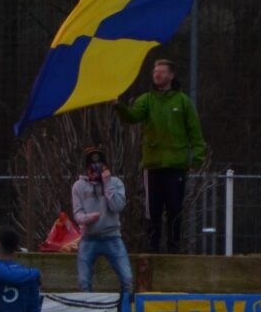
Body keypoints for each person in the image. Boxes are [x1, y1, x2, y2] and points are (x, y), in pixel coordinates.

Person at [114, 58, 206, 253]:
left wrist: (197, 157)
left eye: (162, 71)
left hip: (176, 164)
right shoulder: (146, 99)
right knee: (152, 210)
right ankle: (152, 248)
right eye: (155, 71)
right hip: (153, 164)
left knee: (174, 208)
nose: (157, 74)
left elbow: (195, 132)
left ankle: (174, 249)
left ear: (171, 75)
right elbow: (133, 117)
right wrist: (118, 106)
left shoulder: (183, 102)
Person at [72, 147, 133, 294]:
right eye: (92, 167)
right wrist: (88, 219)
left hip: (112, 237)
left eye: (100, 166)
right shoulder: (79, 186)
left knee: (127, 278)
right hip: (89, 238)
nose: (96, 170)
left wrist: (107, 185)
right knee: (83, 281)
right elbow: (77, 214)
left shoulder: (116, 183)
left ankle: (125, 308)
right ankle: (88, 310)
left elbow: (117, 206)